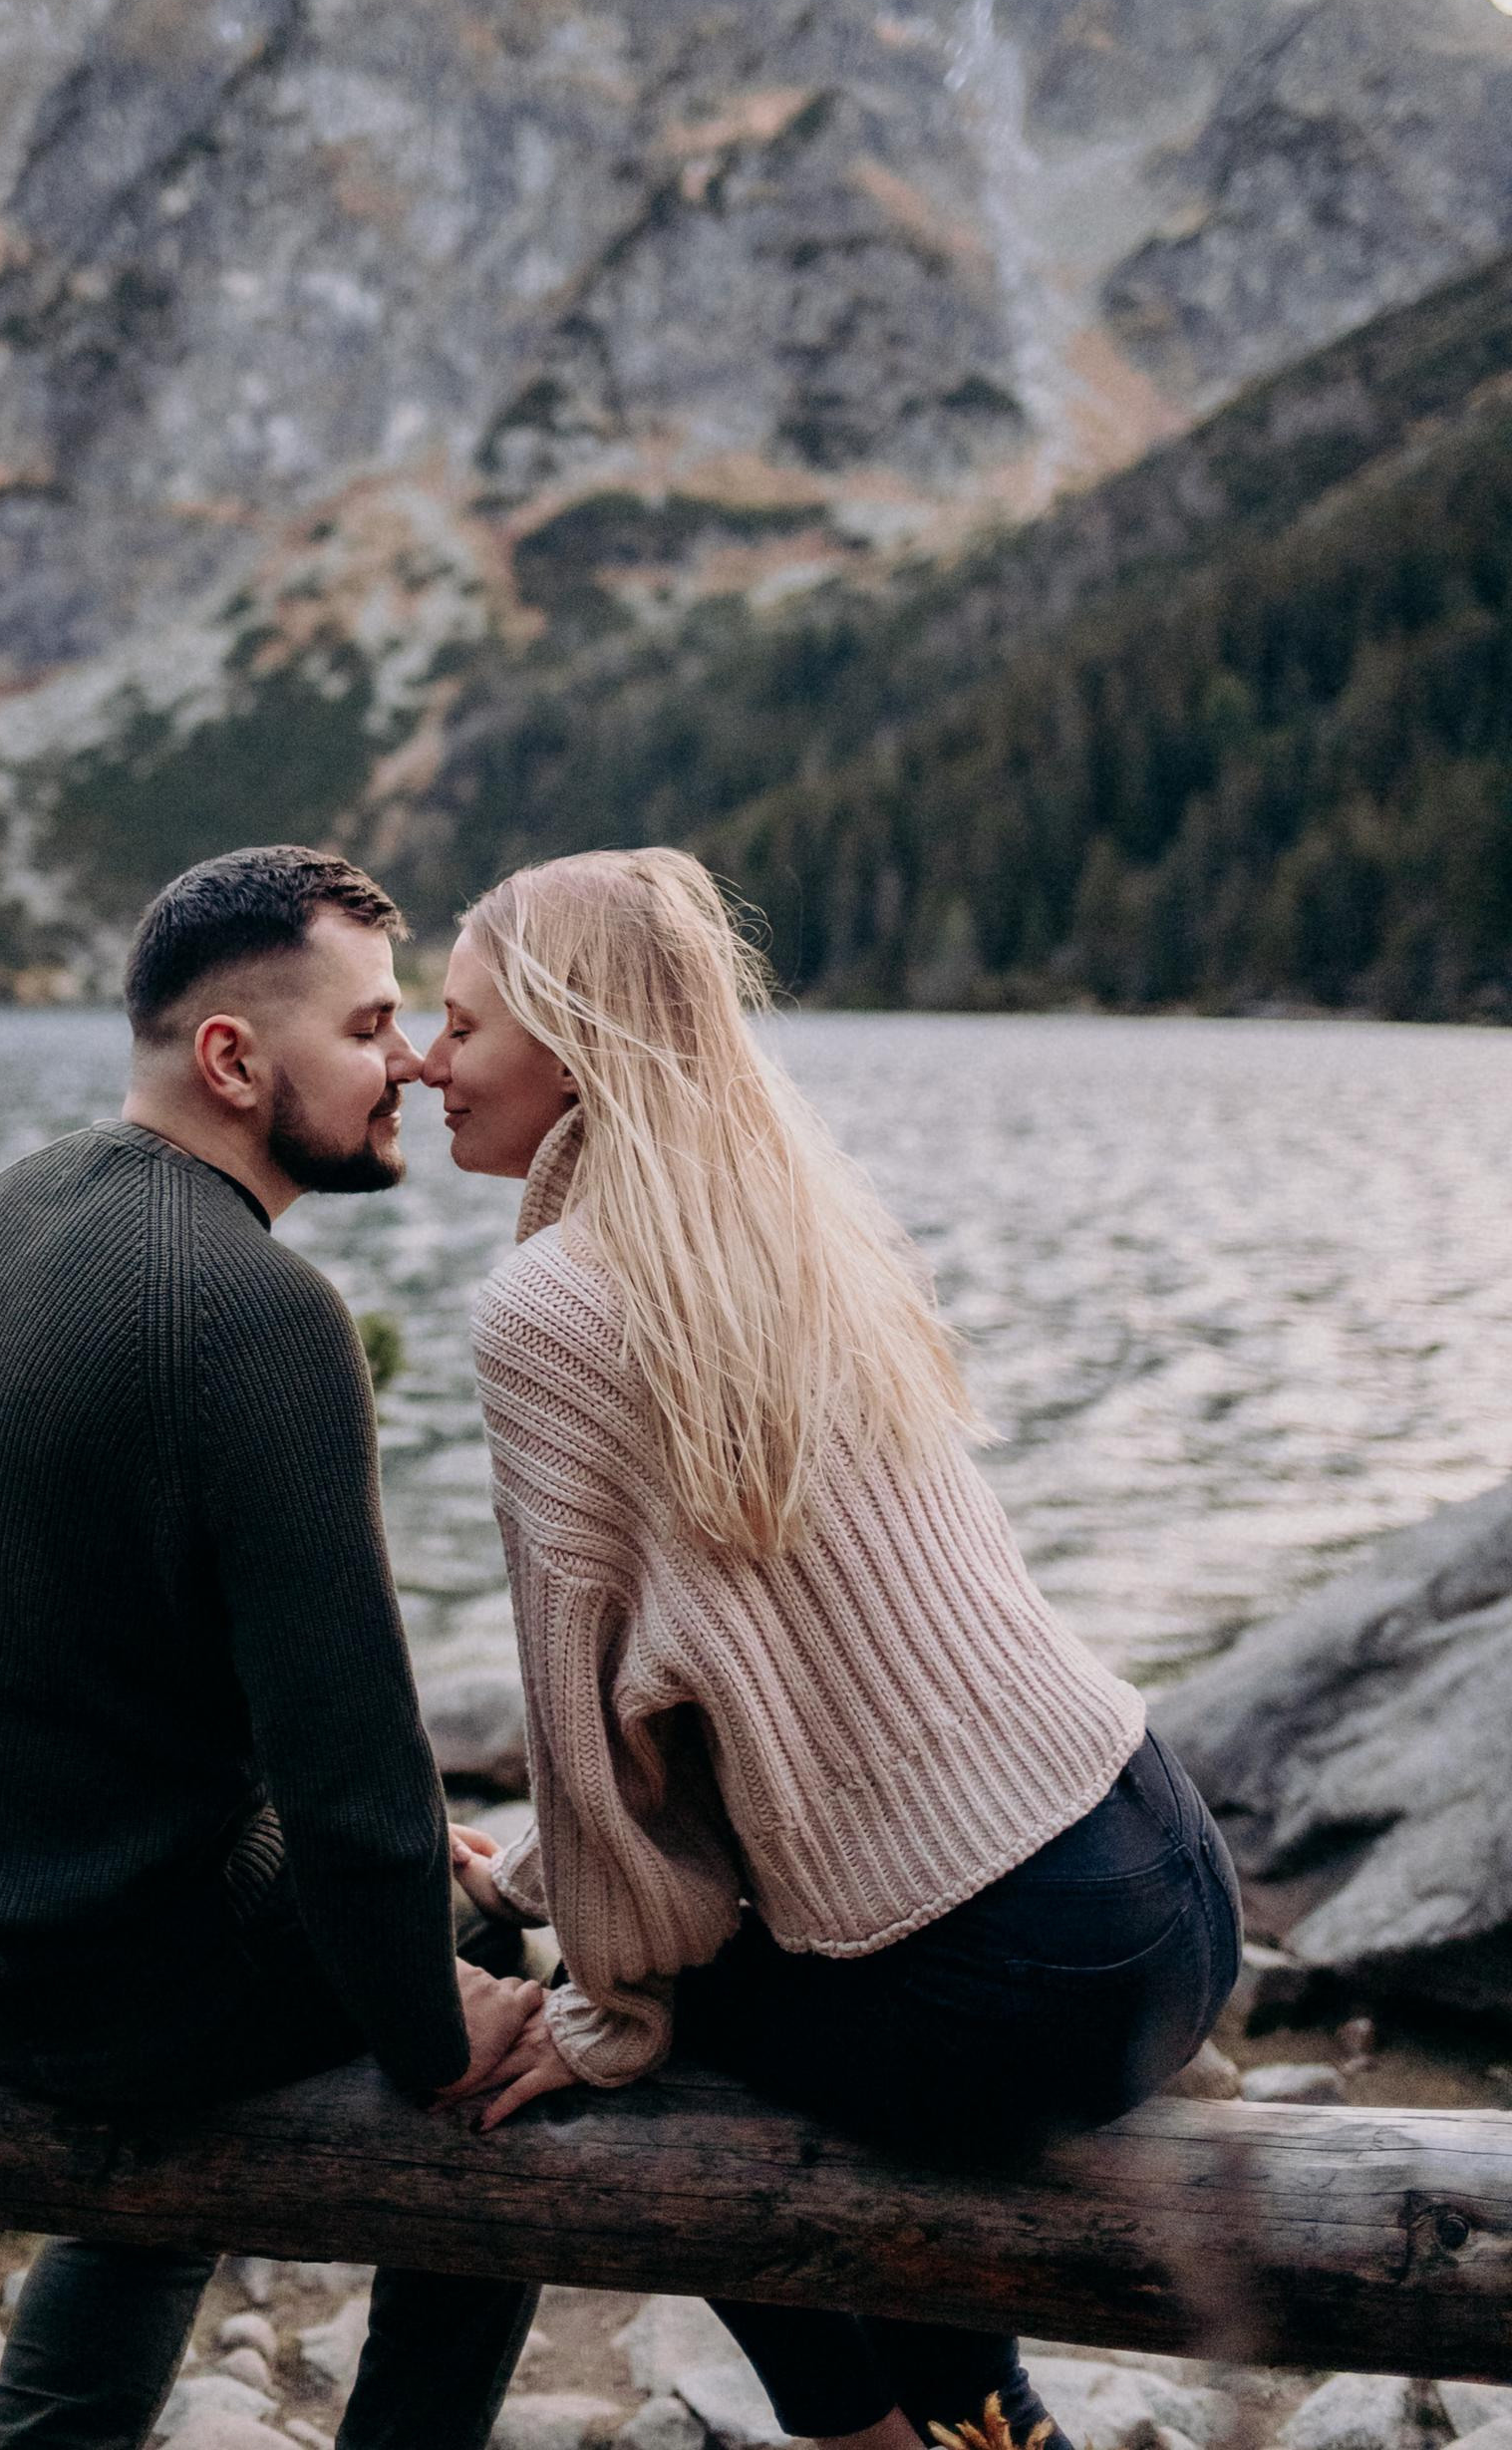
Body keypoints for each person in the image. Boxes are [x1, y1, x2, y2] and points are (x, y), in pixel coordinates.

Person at [422, 846, 1243, 2450]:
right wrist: (527, 1876)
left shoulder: (548, 1308)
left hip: (1026, 1973)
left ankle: (862, 2441)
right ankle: (970, 2417)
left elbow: (610, 1747)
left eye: (458, 1026)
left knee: (653, 2044)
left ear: (574, 1037)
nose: (422, 1061)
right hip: (1163, 1876)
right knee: (735, 1984)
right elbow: (756, 1680)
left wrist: (593, 2009)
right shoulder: (780, 1225)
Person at [0, 845, 544, 2450]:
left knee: (400, 1889)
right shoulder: (257, 1320)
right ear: (232, 1058)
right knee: (497, 2000)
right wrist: (436, 2003)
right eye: (366, 1030)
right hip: (67, 1987)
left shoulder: (21, 1203)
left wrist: (388, 1861)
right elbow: (348, 1783)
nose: (413, 1060)